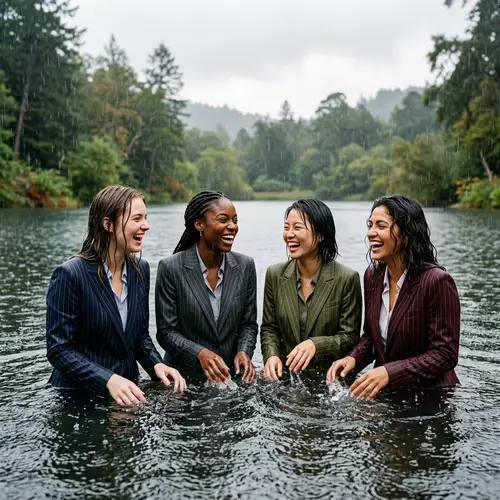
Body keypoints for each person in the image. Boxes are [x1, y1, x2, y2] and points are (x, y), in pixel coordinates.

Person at [46, 185, 186, 406]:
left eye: (146, 218)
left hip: (129, 392)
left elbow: (140, 335)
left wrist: (156, 364)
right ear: (108, 224)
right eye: (137, 218)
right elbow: (59, 350)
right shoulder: (70, 274)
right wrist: (107, 379)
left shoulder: (141, 269)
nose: (146, 226)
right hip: (77, 397)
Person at [326, 195, 461, 399]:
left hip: (432, 397)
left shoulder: (437, 281)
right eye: (370, 225)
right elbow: (372, 337)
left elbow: (444, 355)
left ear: (406, 234)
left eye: (381, 226)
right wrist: (353, 359)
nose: (371, 233)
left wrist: (390, 372)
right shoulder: (372, 276)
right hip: (390, 393)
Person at [155, 190, 258, 384]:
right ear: (199, 224)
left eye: (235, 220)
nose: (232, 227)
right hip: (184, 380)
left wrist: (244, 351)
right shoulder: (170, 268)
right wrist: (200, 354)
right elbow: (166, 332)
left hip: (231, 378)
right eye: (223, 220)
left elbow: (248, 324)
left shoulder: (245, 266)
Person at [261, 199, 362, 381]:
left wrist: (317, 345)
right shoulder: (275, 274)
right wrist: (272, 355)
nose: (289, 235)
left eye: (297, 228)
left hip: (330, 381)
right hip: (286, 380)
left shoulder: (347, 278)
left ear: (321, 234)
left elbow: (350, 336)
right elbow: (270, 328)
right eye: (286, 227)